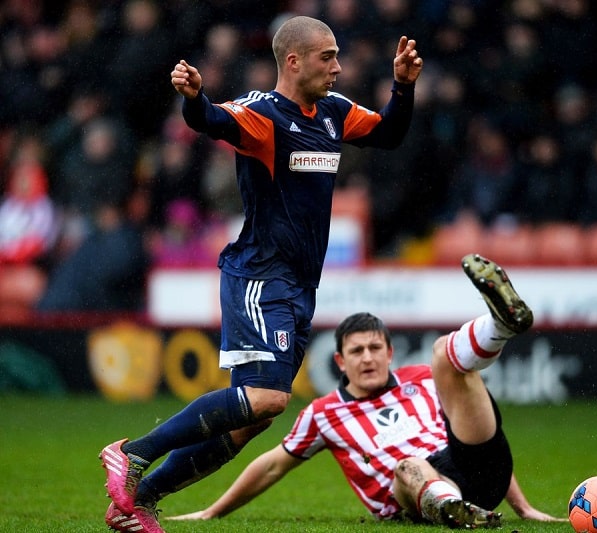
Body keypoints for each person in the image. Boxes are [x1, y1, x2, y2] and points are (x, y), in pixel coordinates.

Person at [100, 15, 423, 533]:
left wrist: (403, 87)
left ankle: (140, 500)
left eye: (337, 55)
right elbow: (211, 120)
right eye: (327, 57)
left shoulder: (333, 113)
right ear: (293, 61)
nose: (338, 67)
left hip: (300, 283)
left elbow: (388, 133)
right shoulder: (262, 114)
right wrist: (194, 98)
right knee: (270, 397)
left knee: (256, 419)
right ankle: (134, 453)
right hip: (260, 274)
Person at [167, 254, 564, 528]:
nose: (368, 358)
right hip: (411, 492)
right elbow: (272, 465)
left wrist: (524, 508)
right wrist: (211, 513)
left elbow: (470, 429)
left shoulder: (422, 378)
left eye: (376, 348)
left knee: (446, 355)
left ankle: (501, 327)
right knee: (408, 466)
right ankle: (450, 508)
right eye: (356, 351)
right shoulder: (323, 414)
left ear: (390, 353)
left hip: (473, 468)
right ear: (340, 361)